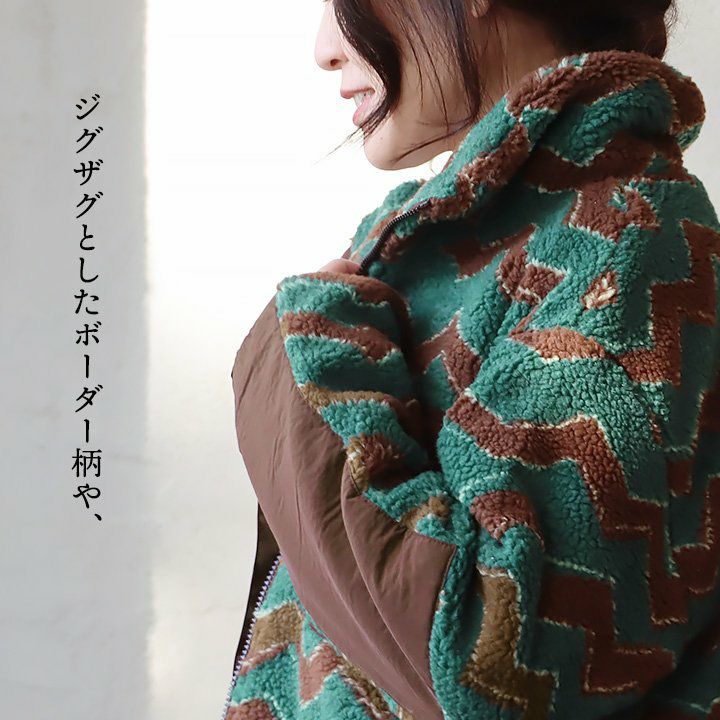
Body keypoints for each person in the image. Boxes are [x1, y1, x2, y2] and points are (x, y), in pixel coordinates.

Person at [224, 1, 720, 718]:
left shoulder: (621, 244)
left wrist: (302, 360)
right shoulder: (460, 240)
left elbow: (491, 671)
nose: (325, 48)